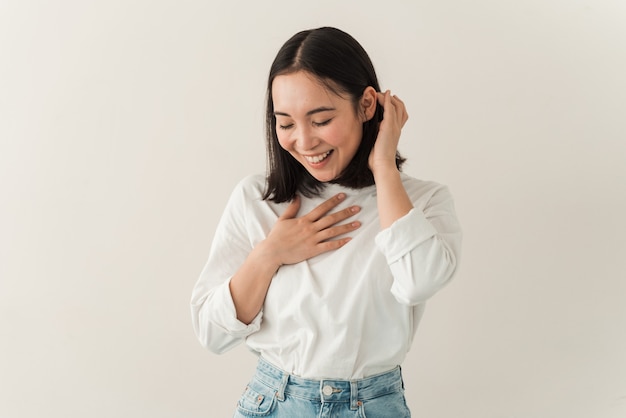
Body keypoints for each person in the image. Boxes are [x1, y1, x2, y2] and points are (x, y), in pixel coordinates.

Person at [191, 26, 462, 418]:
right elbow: (211, 333)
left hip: (373, 405)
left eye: (320, 120)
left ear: (367, 105)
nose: (303, 141)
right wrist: (270, 254)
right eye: (285, 123)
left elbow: (420, 280)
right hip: (274, 402)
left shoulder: (423, 202)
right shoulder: (258, 200)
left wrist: (383, 165)